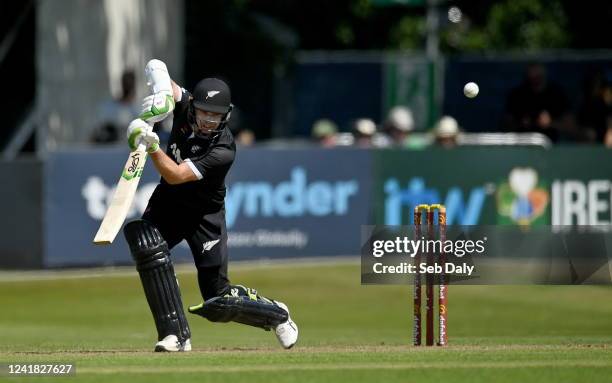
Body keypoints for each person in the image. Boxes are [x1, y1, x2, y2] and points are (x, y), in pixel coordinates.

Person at [124, 59, 298, 352]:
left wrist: (151, 145)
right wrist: (160, 95)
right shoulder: (185, 105)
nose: (208, 120)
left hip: (204, 216)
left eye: (215, 116)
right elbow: (159, 70)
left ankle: (277, 314)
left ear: (226, 116)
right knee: (146, 244)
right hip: (168, 204)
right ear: (193, 107)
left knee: (219, 300)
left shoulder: (223, 149)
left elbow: (176, 175)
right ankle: (175, 335)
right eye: (203, 112)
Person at [504, 63, 571, 142]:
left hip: (552, 144)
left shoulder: (557, 94)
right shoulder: (517, 95)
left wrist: (550, 124)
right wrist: (522, 123)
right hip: (522, 143)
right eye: (532, 69)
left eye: (538, 70)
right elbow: (506, 125)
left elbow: (570, 126)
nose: (535, 74)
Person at [92, 70, 140, 143]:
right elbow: (96, 133)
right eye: (126, 83)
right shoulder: (109, 108)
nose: (127, 86)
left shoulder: (139, 109)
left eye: (130, 83)